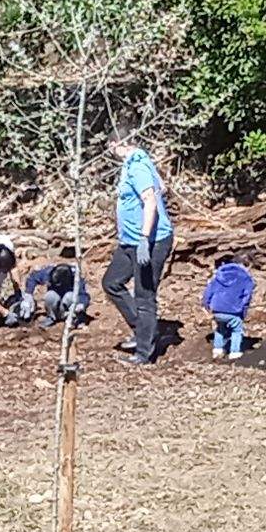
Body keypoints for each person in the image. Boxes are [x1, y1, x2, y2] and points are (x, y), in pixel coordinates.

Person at [108, 139, 174, 364]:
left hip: (149, 242)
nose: (110, 151)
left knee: (144, 295)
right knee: (111, 282)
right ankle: (143, 328)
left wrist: (145, 237)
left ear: (118, 143)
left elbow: (151, 200)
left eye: (110, 146)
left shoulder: (137, 165)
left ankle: (144, 353)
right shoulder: (133, 163)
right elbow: (162, 187)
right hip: (129, 241)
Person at [201, 256, 257, 360]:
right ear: (247, 265)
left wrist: (206, 304)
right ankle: (234, 352)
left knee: (220, 328)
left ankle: (217, 350)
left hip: (217, 309)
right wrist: (243, 311)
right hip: (233, 310)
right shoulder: (246, 279)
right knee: (236, 330)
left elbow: (209, 291)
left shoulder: (220, 274)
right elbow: (246, 297)